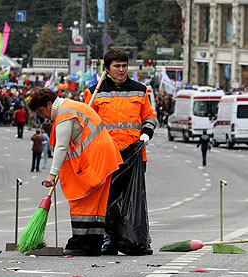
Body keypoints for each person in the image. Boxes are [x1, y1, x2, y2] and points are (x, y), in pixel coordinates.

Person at [28, 88, 122, 256]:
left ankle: (79, 243)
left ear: (49, 104)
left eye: (41, 111)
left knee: (82, 202)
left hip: (93, 162)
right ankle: (93, 244)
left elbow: (61, 146)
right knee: (96, 206)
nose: (42, 115)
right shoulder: (72, 107)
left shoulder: (65, 114)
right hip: (104, 160)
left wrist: (52, 174)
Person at [83, 48, 157, 255]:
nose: (122, 70)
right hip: (107, 155)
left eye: (124, 66)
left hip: (134, 154)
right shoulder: (93, 93)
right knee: (108, 200)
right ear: (107, 69)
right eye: (117, 66)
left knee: (135, 198)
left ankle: (140, 237)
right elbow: (87, 123)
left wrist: (146, 134)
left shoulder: (140, 90)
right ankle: (110, 240)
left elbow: (149, 116)